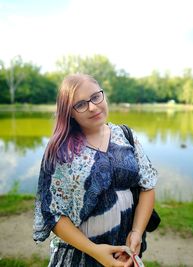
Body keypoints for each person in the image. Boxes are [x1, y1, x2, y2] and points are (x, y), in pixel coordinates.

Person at [33, 73, 157, 267]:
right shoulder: (60, 150)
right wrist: (95, 252)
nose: (92, 106)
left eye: (95, 97)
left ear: (103, 95)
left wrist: (137, 233)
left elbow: (147, 186)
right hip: (80, 255)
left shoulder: (125, 135)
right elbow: (53, 214)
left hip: (125, 250)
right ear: (70, 112)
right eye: (80, 104)